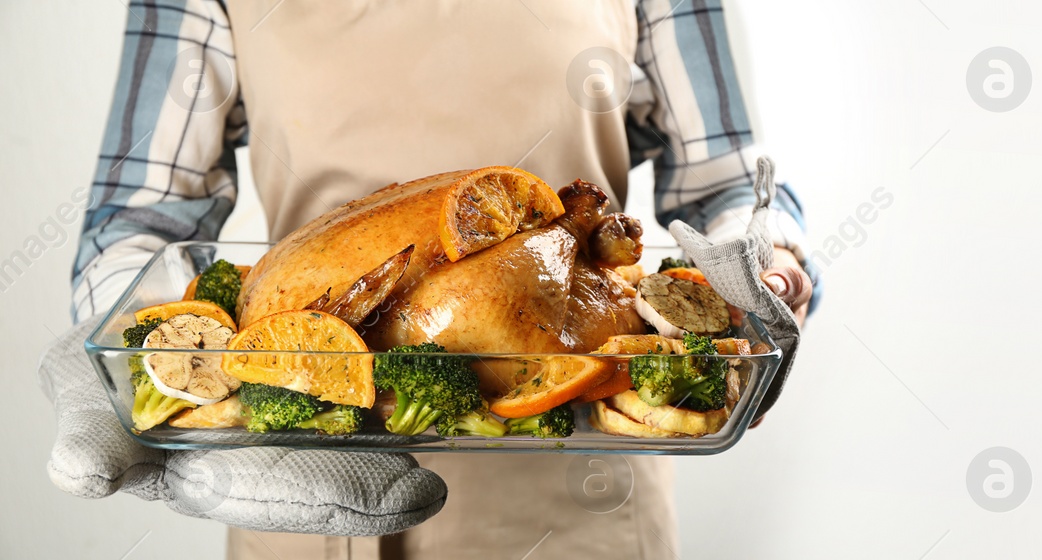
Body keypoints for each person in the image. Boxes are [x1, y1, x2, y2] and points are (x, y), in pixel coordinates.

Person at [48, 0, 815, 558]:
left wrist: (762, 265)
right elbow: (138, 216)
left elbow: (725, 185)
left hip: (582, 497)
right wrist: (124, 338)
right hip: (291, 473)